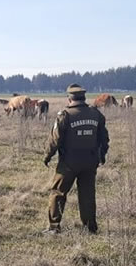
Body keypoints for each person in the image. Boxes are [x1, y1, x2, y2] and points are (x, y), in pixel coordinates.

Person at [42, 84, 109, 234]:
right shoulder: (95, 114)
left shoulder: (65, 115)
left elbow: (55, 140)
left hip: (69, 162)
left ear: (70, 98)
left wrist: (47, 156)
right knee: (87, 195)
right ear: (83, 97)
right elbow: (104, 138)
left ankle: (54, 227)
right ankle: (90, 227)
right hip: (90, 161)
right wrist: (101, 156)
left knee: (58, 193)